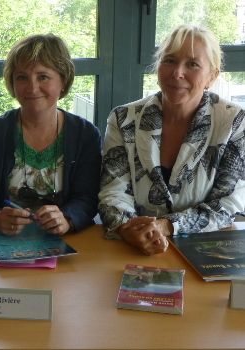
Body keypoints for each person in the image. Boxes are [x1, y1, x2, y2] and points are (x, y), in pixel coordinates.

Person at [98, 25, 245, 255]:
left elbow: (227, 204)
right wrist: (128, 229)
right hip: (133, 249)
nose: (177, 73)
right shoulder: (123, 118)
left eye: (193, 64)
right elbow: (113, 192)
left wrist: (167, 226)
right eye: (169, 60)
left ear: (212, 76)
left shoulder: (235, 122)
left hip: (203, 251)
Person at [0, 34, 102, 235]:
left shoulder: (86, 135)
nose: (32, 87)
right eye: (22, 77)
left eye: (43, 76)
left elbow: (87, 199)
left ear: (63, 80)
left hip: (68, 245)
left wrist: (67, 218)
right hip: (3, 243)